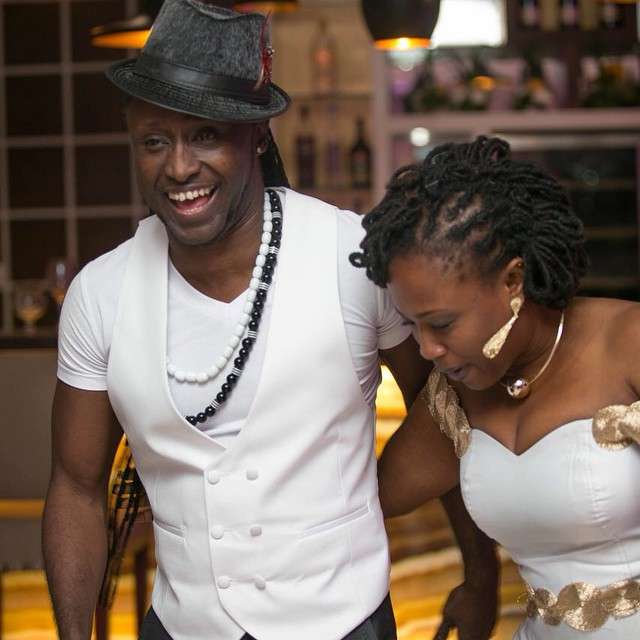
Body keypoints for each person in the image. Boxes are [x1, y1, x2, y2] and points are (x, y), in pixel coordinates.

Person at [42, 2, 498, 640]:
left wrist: (481, 575)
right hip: (182, 626)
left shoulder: (354, 258)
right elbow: (75, 486)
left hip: (345, 623)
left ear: (257, 135)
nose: (179, 167)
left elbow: (449, 414)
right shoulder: (100, 293)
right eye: (154, 141)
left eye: (205, 135)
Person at [350, 135, 640, 639]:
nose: (426, 348)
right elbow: (361, 501)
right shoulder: (457, 396)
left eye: (442, 323)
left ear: (513, 281)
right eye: (413, 325)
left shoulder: (628, 344)